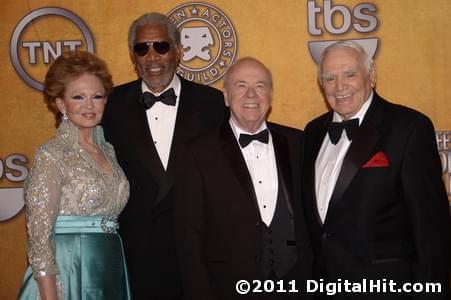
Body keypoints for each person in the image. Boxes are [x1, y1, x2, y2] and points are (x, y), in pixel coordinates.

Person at [301, 40, 450, 299]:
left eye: (350, 74)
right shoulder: (312, 132)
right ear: (320, 84)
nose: (340, 86)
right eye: (329, 78)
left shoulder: (408, 128)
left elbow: (431, 232)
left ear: (371, 76)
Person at [101, 12, 227, 299]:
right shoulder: (111, 106)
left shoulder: (213, 104)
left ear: (178, 51)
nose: (152, 57)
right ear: (133, 58)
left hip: (198, 251)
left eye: (161, 46)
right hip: (137, 252)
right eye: (142, 48)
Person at [175, 57, 313, 300]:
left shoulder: (298, 143)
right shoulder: (198, 152)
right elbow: (189, 238)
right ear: (226, 96)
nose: (251, 94)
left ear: (270, 95)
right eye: (241, 86)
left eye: (260, 86)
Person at [18, 50, 131, 299]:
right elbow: (39, 236)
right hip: (67, 269)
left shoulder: (108, 150)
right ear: (61, 104)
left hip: (108, 267)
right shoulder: (52, 154)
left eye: (97, 96)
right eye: (78, 97)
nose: (89, 105)